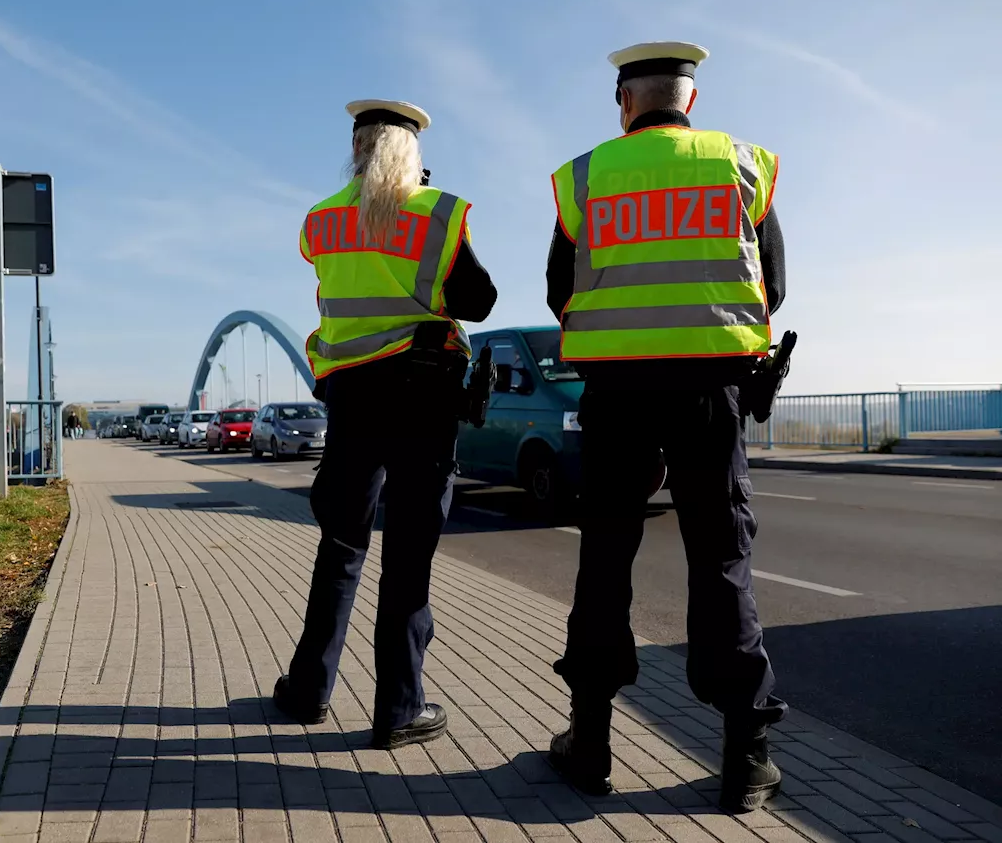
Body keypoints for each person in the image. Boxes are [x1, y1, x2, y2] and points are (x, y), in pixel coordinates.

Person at [544, 43, 788, 812]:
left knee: (605, 559)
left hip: (616, 392)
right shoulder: (739, 165)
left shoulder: (586, 177)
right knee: (722, 559)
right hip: (710, 388)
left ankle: (589, 745)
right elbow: (772, 284)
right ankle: (746, 756)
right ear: (692, 100)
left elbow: (560, 293)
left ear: (625, 102)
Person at [272, 99, 498, 749]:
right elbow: (478, 300)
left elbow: (335, 290)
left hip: (352, 398)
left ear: (357, 148)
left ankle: (309, 689)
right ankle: (399, 707)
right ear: (412, 155)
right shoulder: (435, 213)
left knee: (340, 546)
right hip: (423, 395)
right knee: (407, 554)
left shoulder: (323, 220)